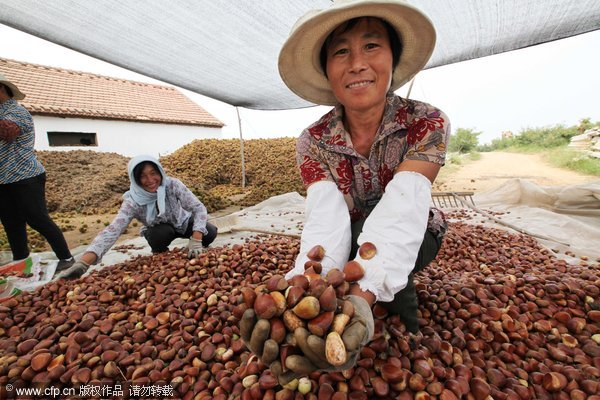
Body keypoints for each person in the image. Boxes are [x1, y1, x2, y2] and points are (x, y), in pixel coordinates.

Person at [242, 0, 450, 380]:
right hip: (351, 231)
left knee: (375, 252)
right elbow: (325, 218)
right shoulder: (313, 141)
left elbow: (405, 205)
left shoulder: (426, 122)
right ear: (326, 70)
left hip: (419, 230)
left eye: (371, 46)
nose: (357, 63)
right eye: (341, 51)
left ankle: (405, 318)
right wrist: (304, 287)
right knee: (350, 239)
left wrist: (362, 295)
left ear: (393, 58)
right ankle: (372, 309)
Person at [60, 154, 218, 279]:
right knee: (161, 233)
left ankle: (191, 246)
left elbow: (198, 207)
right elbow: (112, 230)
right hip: (160, 230)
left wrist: (196, 239)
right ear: (135, 179)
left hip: (182, 221)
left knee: (209, 232)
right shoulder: (132, 201)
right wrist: (83, 263)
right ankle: (160, 254)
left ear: (160, 172)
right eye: (143, 176)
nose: (150, 180)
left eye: (153, 173)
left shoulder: (172, 185)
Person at [0, 74, 75, 272]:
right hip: (3, 179)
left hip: (25, 176)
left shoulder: (16, 111)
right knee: (11, 223)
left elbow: (8, 133)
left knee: (37, 218)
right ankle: (21, 262)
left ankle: (66, 257)